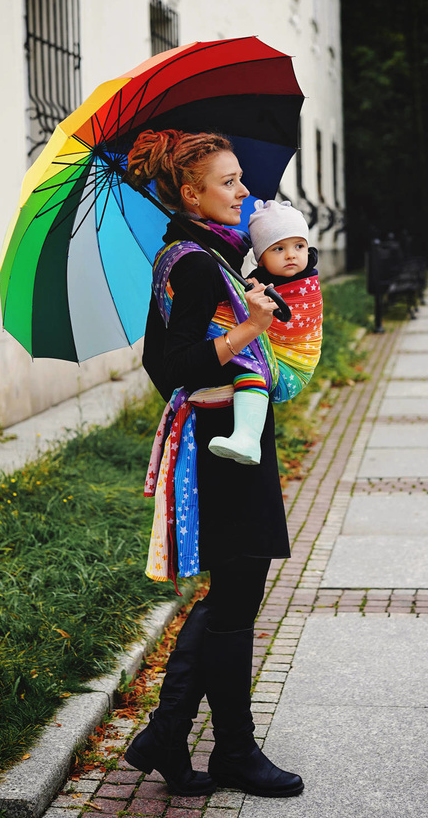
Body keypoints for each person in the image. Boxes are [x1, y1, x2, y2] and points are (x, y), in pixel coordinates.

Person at [122, 128, 304, 799]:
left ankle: (168, 734)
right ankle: (234, 752)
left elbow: (158, 354)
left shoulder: (197, 253)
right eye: (226, 182)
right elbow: (167, 368)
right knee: (235, 604)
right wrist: (247, 332)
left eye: (239, 178)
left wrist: (249, 309)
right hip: (221, 448)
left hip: (227, 440)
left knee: (227, 597)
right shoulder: (195, 262)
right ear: (191, 191)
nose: (242, 191)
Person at [208, 198, 322, 465]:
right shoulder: (260, 282)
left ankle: (248, 439)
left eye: (299, 246)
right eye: (278, 248)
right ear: (260, 258)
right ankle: (245, 441)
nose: (291, 255)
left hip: (293, 366)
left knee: (252, 371)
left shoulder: (306, 283)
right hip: (273, 359)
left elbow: (293, 321)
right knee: (248, 366)